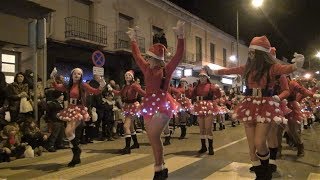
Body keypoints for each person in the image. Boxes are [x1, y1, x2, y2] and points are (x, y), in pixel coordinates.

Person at [207, 36, 305, 179]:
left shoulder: (272, 68)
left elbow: (285, 68)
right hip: (249, 104)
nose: (250, 54)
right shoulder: (247, 67)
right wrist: (214, 71)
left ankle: (267, 169)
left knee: (260, 142)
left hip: (266, 105)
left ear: (260, 54)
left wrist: (297, 65)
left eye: (253, 51)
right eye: (250, 51)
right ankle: (261, 174)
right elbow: (229, 70)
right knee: (252, 146)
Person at [127, 20, 185, 179]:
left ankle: (158, 168)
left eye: (150, 57)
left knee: (153, 135)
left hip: (163, 104)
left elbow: (179, 55)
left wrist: (181, 36)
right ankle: (161, 168)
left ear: (156, 58)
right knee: (154, 139)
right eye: (147, 57)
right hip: (148, 104)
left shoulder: (167, 68)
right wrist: (133, 39)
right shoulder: (146, 67)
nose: (147, 59)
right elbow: (136, 55)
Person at [50, 67, 105, 167]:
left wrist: (101, 85)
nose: (77, 75)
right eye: (75, 73)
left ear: (81, 76)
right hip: (70, 109)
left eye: (79, 74)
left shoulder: (83, 85)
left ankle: (77, 151)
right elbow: (57, 87)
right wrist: (52, 77)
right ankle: (76, 157)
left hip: (79, 110)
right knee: (71, 134)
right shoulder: (68, 85)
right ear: (72, 75)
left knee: (68, 131)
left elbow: (96, 91)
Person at [191, 69, 221, 155]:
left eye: (203, 76)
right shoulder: (197, 86)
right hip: (199, 106)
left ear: (207, 77)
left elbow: (218, 95)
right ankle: (203, 147)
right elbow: (191, 95)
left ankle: (210, 147)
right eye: (200, 76)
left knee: (208, 128)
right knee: (201, 129)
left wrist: (217, 90)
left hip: (209, 106)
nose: (202, 78)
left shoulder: (211, 86)